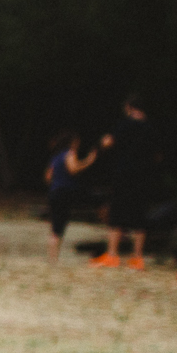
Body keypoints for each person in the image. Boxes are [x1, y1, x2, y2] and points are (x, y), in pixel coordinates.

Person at [93, 95, 155, 269]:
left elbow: (107, 143)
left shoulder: (125, 125)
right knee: (139, 214)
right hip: (144, 175)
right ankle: (137, 257)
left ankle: (112, 255)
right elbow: (158, 155)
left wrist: (103, 142)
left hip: (124, 173)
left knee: (117, 212)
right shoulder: (151, 128)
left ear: (129, 108)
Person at [44, 131, 97, 263]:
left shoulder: (56, 156)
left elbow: (48, 177)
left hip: (54, 192)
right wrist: (88, 162)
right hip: (65, 192)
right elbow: (73, 169)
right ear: (72, 142)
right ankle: (53, 259)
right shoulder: (70, 153)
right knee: (60, 226)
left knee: (55, 227)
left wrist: (57, 181)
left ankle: (52, 259)